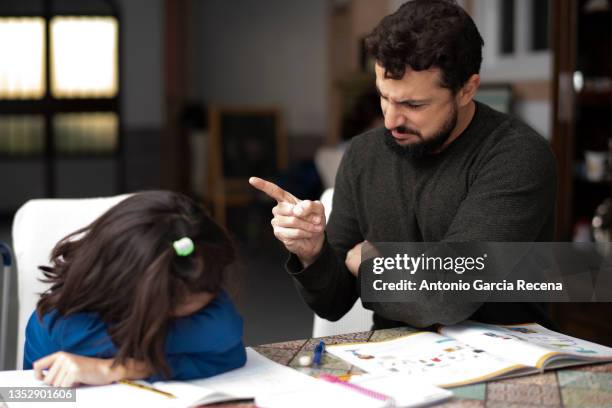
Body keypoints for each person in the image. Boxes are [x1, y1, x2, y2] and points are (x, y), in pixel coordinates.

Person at [250, 0, 556, 330]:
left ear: (467, 89)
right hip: (396, 358)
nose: (392, 120)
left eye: (413, 104)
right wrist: (313, 254)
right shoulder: (364, 155)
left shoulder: (516, 155)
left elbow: (447, 296)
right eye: (384, 97)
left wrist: (368, 263)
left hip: (509, 354)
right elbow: (333, 303)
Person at [23, 191, 246, 387]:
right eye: (175, 300)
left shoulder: (195, 282)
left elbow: (229, 346)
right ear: (124, 287)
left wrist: (120, 369)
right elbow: (223, 340)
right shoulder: (63, 322)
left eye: (211, 288)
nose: (205, 302)